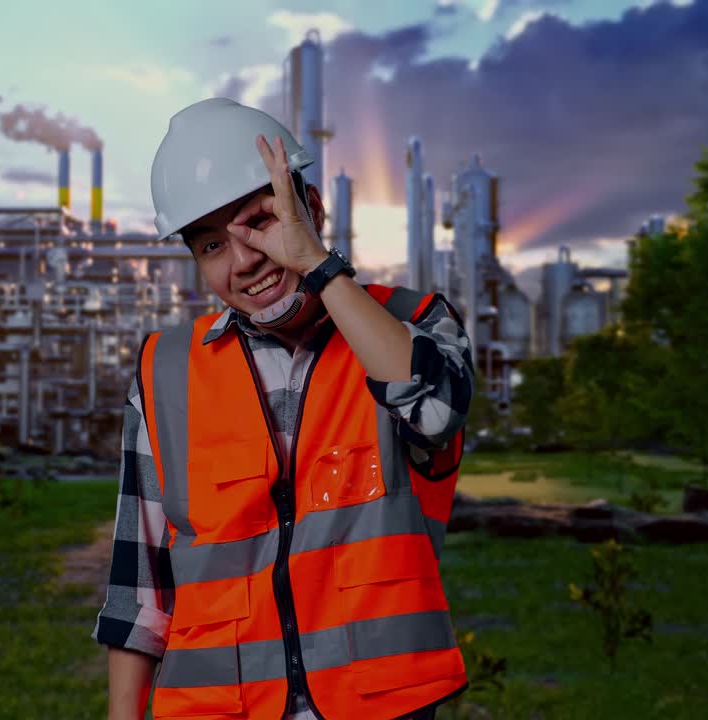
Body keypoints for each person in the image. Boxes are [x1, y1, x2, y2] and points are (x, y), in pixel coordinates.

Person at [93, 97, 474, 720]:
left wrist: (320, 269)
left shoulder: (412, 324)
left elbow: (433, 410)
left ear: (311, 209)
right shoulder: (165, 372)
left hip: (375, 705)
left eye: (260, 223)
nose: (243, 259)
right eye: (213, 245)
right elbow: (140, 592)